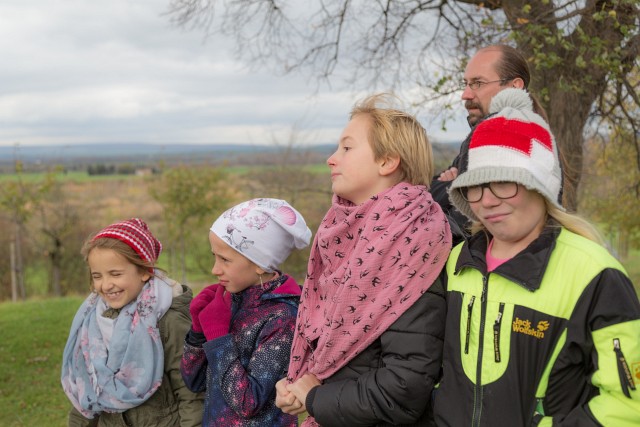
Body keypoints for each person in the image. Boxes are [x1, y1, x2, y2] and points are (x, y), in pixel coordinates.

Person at [433, 88, 640, 426]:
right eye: (476, 186)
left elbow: (629, 406)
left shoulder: (596, 274)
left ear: (541, 187)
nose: (487, 201)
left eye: (503, 182)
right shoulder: (454, 263)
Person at [275, 93, 453, 426]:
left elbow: (405, 385)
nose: (331, 158)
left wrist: (315, 397)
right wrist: (298, 385)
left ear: (387, 162)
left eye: (346, 148)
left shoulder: (413, 243)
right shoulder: (345, 235)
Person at [180, 198, 312, 426]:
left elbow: (247, 403)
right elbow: (195, 382)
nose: (215, 269)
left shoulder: (282, 318)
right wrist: (198, 332)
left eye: (225, 259)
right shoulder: (230, 301)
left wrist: (218, 337)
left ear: (260, 263)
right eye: (214, 256)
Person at [61, 218, 203, 427]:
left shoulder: (168, 320)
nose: (106, 285)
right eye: (97, 276)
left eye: (115, 274)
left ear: (145, 271)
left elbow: (190, 391)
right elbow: (87, 392)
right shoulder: (90, 322)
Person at [430, 44, 549, 243]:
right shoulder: (481, 139)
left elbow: (467, 221)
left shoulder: (519, 142)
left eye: (477, 83)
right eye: (466, 84)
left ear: (514, 86)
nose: (465, 94)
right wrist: (453, 185)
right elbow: (435, 192)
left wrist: (453, 184)